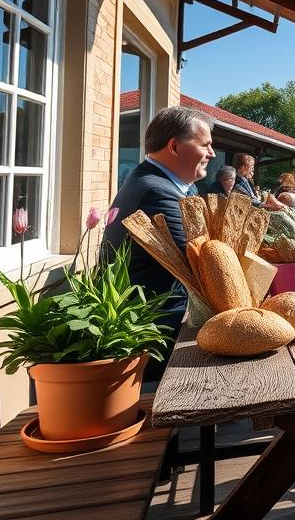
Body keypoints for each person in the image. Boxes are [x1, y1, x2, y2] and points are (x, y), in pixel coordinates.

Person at [103, 106, 215, 382]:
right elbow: (201, 265)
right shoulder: (157, 192)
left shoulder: (163, 183)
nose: (212, 154)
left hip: (165, 323)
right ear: (174, 147)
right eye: (205, 145)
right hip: (157, 336)